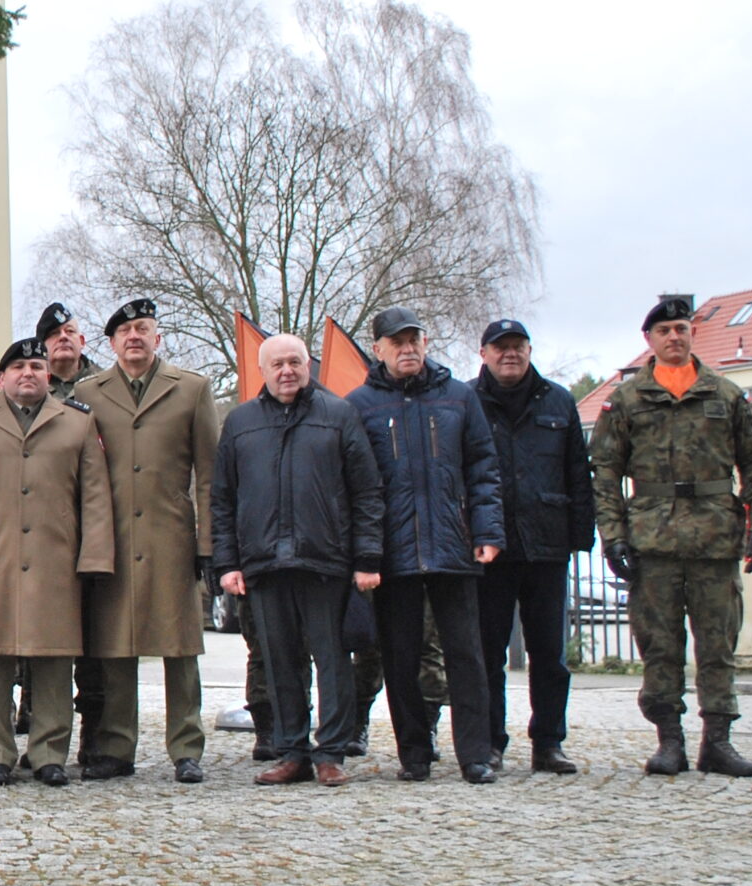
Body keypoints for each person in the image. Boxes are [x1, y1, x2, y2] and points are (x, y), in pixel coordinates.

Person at [591, 294, 752, 777]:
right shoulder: (627, 400)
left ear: (692, 334)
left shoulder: (726, 395)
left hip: (715, 538)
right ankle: (669, 740)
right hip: (652, 540)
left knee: (718, 645)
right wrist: (613, 536)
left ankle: (718, 741)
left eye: (681, 329)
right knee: (659, 645)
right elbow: (604, 473)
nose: (674, 337)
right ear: (649, 340)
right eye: (664, 331)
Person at [211, 333, 385, 788]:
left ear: (309, 365)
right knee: (280, 662)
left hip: (325, 561)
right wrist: (227, 563)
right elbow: (223, 498)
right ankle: (291, 751)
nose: (287, 371)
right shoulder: (241, 422)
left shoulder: (339, 415)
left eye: (295, 362)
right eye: (277, 364)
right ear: (263, 371)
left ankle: (331, 753)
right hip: (263, 564)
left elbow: (367, 492)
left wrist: (367, 557)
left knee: (332, 661)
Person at [347, 306, 507, 785]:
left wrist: (487, 532)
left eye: (414, 339)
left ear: (426, 343)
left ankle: (475, 754)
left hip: (454, 545)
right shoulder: (359, 405)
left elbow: (483, 469)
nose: (408, 349)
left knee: (467, 656)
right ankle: (414, 753)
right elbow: (356, 487)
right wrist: (365, 553)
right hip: (393, 553)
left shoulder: (459, 397)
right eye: (397, 342)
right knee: (400, 658)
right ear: (378, 349)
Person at [0, 338, 112, 786]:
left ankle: (48, 754)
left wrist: (94, 557)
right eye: (19, 366)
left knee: (55, 660)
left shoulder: (77, 422)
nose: (28, 373)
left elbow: (95, 496)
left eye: (37, 366)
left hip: (56, 560)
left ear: (49, 375)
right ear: (1, 376)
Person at [77, 299, 220, 785]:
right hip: (112, 540)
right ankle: (118, 747)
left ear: (157, 337)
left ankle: (186, 747)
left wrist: (207, 544)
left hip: (170, 537)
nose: (134, 336)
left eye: (142, 328)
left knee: (180, 648)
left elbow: (209, 475)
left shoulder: (192, 389)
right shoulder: (88, 393)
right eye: (125, 331)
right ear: (111, 343)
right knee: (116, 647)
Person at [474, 318, 595, 774]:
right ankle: (490, 743)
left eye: (518, 346)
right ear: (483, 353)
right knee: (487, 654)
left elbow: (578, 472)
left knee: (549, 655)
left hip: (546, 543)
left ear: (529, 350)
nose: (510, 354)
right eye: (500, 346)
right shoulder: (466, 400)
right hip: (490, 549)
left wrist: (581, 536)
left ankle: (548, 742)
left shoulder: (559, 400)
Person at [35, 304, 91, 406]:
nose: (63, 337)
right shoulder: (31, 389)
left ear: (82, 341)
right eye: (54, 333)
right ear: (41, 347)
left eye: (70, 331)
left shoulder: (106, 384)